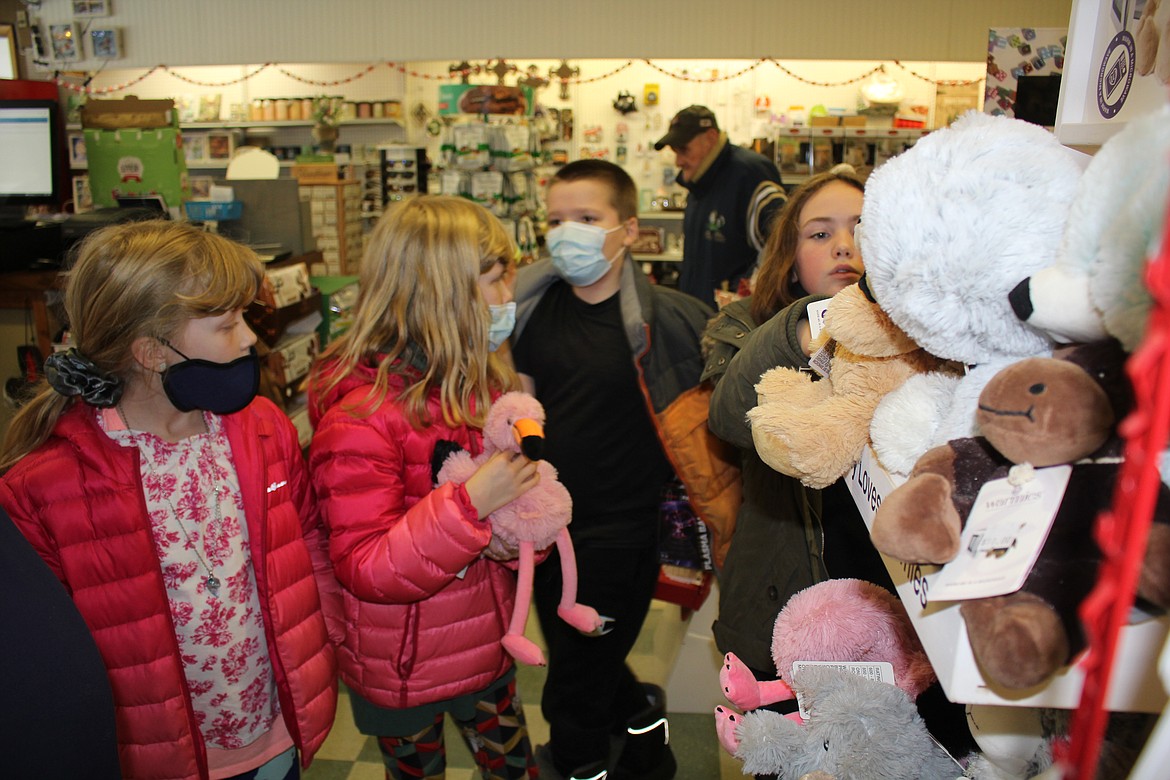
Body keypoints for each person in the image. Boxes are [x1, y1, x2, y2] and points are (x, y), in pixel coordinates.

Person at [0, 220, 339, 780]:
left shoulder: (261, 430)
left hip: (276, 730)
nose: (251, 338)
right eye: (228, 324)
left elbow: (306, 539)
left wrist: (321, 640)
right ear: (152, 351)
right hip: (157, 757)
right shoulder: (44, 487)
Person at [705, 170, 974, 771]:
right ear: (788, 258)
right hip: (788, 607)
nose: (845, 245)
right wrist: (821, 322)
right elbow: (729, 414)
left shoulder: (937, 336)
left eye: (863, 228)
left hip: (905, 616)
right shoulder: (750, 330)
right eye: (819, 233)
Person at [307, 195, 541, 780]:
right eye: (493, 280)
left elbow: (494, 526)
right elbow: (365, 565)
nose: (507, 296)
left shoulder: (475, 385)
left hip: (483, 649)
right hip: (402, 670)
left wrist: (512, 536)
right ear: (442, 296)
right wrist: (472, 506)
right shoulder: (360, 419)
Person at [510, 159, 713, 780]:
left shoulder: (673, 320)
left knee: (572, 684)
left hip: (623, 531)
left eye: (587, 218)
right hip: (547, 529)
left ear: (628, 230)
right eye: (555, 219)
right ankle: (646, 723)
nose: (566, 232)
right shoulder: (526, 308)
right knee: (588, 660)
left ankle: (577, 766)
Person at [654, 104, 787, 308]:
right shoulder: (699, 183)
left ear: (710, 137)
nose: (678, 161)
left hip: (735, 323)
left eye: (684, 150)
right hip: (699, 314)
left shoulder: (750, 173)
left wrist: (740, 298)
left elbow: (782, 248)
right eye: (675, 152)